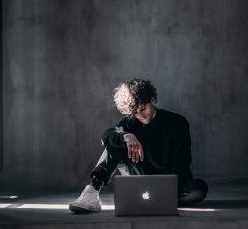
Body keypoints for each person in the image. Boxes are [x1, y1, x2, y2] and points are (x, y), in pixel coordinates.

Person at [69, 79, 208, 213]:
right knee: (116, 142)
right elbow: (107, 136)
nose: (140, 115)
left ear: (153, 100)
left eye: (143, 109)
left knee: (198, 189)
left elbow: (183, 163)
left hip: (172, 183)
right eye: (134, 113)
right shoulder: (130, 122)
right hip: (139, 179)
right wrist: (126, 136)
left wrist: (166, 186)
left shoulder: (178, 123)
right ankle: (92, 192)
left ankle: (158, 199)